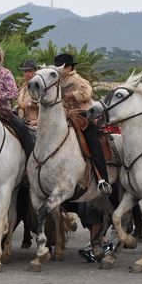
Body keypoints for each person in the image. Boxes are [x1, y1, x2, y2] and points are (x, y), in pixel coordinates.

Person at [55, 53, 111, 195]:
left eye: (60, 67)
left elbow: (87, 92)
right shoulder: (58, 80)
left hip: (83, 116)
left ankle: (103, 179)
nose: (58, 70)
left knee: (93, 144)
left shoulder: (77, 79)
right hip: (65, 117)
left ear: (68, 68)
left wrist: (71, 95)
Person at [0, 42, 34, 155]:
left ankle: (30, 159)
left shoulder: (4, 73)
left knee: (23, 129)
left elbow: (13, 93)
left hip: (2, 111)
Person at [17, 60, 40, 127]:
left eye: (30, 71)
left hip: (35, 122)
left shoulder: (40, 86)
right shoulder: (23, 86)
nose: (27, 74)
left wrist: (29, 104)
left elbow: (45, 106)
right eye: (25, 71)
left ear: (35, 72)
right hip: (22, 121)